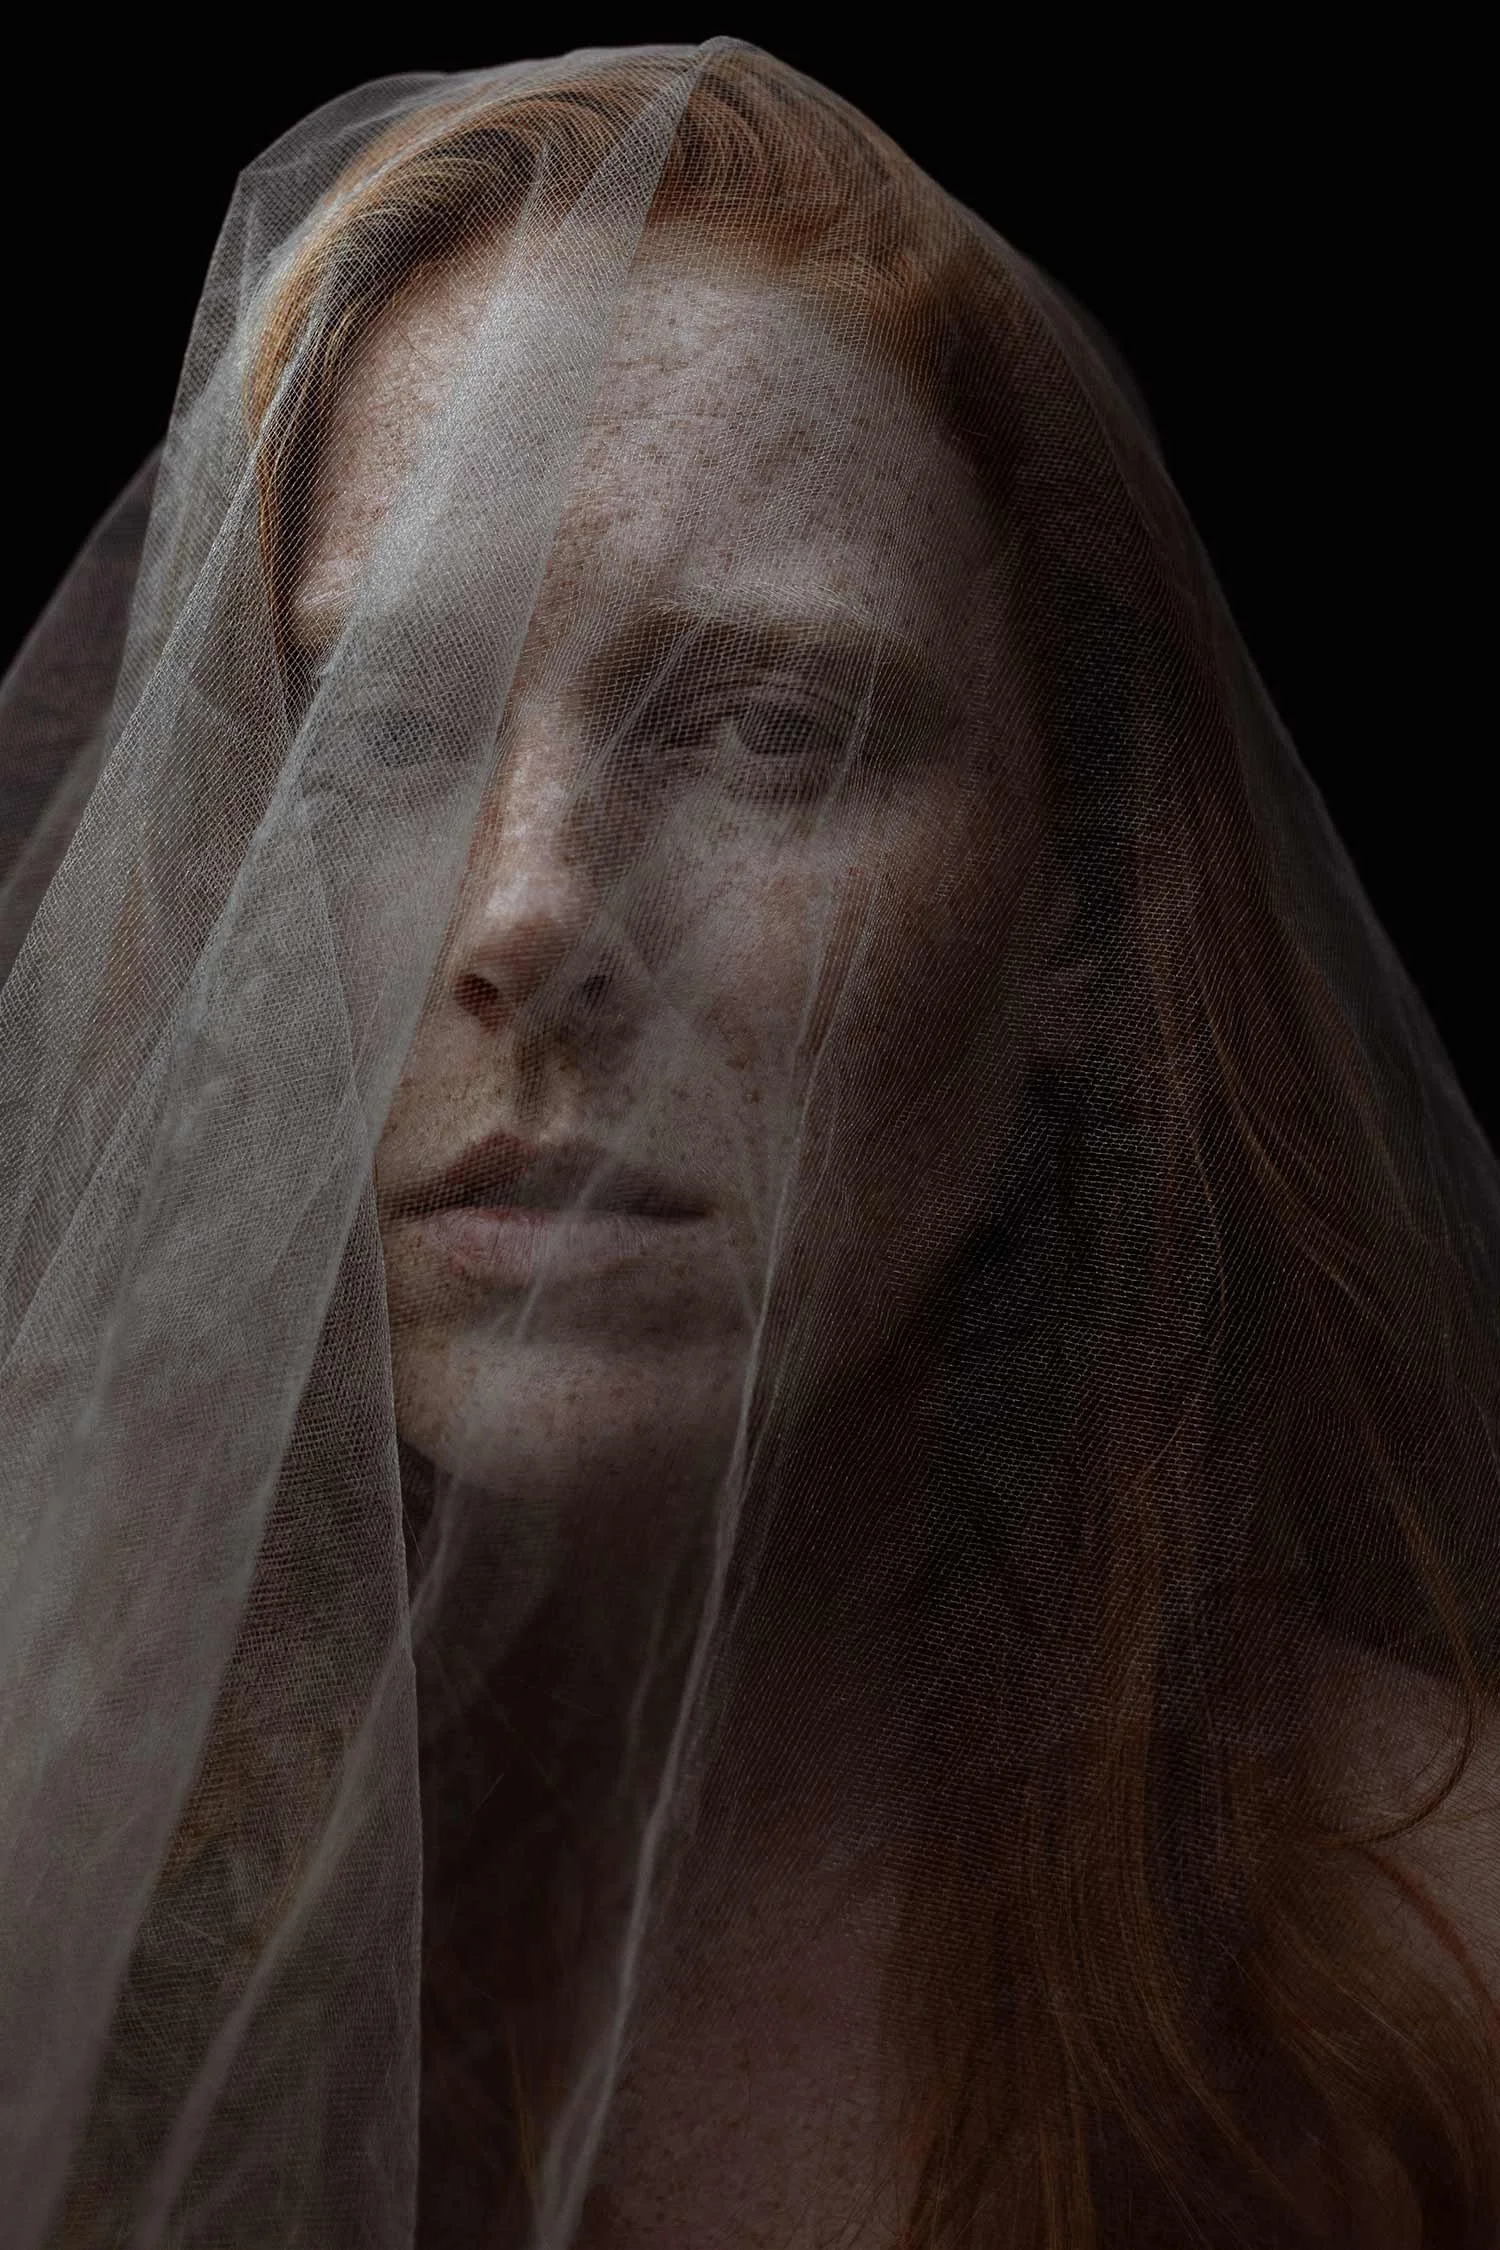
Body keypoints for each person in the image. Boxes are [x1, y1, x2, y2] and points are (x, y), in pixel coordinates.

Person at [1, 41, 1495, 2250]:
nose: (527, 917)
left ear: (1081, 904)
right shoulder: (44, 1903)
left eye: (773, 729)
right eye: (385, 728)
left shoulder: (1457, 1976)